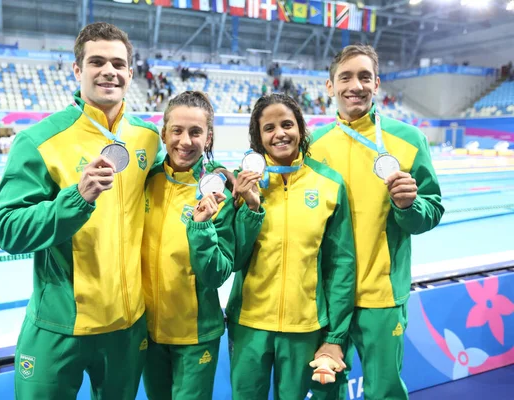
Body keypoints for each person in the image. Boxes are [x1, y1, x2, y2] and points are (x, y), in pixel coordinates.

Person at [0, 22, 161, 400]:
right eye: (96, 61)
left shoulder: (148, 139)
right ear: (77, 70)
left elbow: (176, 183)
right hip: (58, 324)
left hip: (126, 325)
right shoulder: (38, 141)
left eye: (118, 64)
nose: (109, 71)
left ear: (130, 74)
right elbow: (7, 229)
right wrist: (77, 198)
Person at [308, 44, 444, 400]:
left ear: (377, 83)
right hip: (323, 296)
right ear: (329, 86)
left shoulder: (409, 139)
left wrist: (408, 206)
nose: (356, 85)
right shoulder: (311, 145)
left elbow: (432, 210)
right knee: (325, 391)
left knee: (384, 391)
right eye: (346, 77)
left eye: (365, 76)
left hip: (381, 295)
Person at [226, 93, 356, 399]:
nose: (279, 133)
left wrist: (336, 335)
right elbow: (233, 258)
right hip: (249, 323)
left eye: (287, 124)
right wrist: (249, 207)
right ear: (258, 138)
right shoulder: (243, 183)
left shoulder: (329, 183)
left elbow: (341, 264)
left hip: (305, 326)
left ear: (300, 128)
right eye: (268, 128)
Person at [141, 91, 235, 399]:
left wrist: (201, 225)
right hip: (147, 333)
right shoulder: (146, 179)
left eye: (196, 132)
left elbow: (217, 274)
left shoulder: (218, 190)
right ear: (163, 133)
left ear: (208, 138)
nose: (185, 141)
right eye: (177, 130)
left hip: (195, 335)